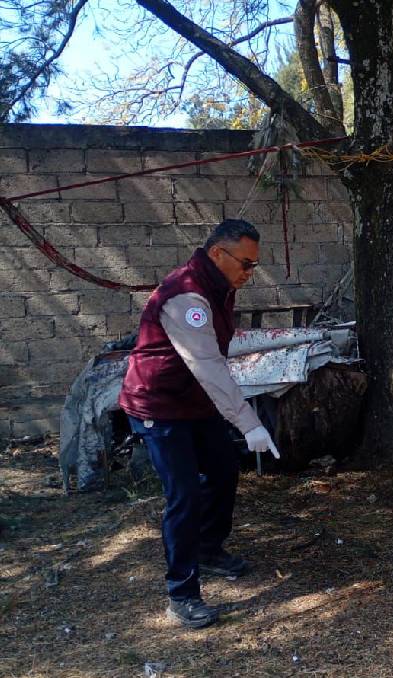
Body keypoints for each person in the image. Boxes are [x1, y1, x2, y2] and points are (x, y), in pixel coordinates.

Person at [118, 219, 280, 629]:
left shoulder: (218, 286)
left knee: (225, 468)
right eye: (245, 263)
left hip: (195, 402)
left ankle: (208, 549)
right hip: (160, 404)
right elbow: (206, 364)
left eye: (254, 266)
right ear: (217, 254)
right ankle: (182, 593)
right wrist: (248, 422)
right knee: (185, 494)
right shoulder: (187, 296)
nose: (249, 273)